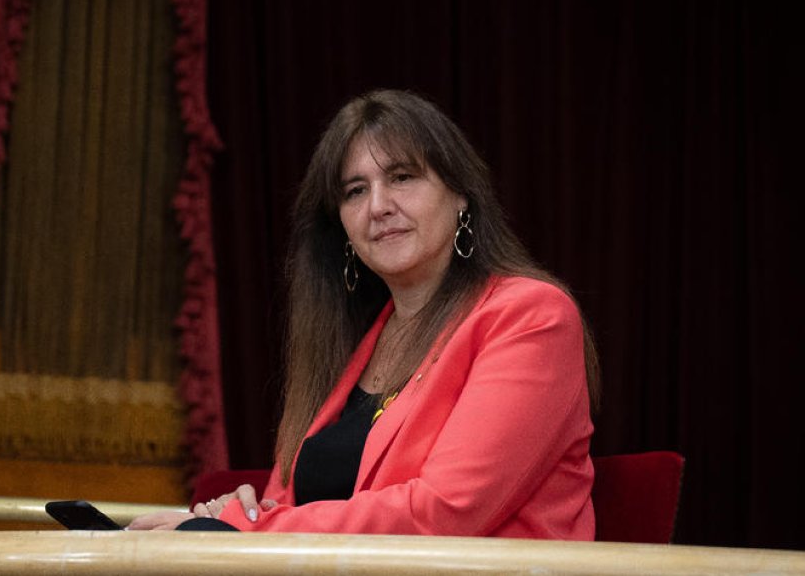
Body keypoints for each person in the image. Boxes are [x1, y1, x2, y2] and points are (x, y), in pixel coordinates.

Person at [129, 89, 600, 538]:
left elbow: (444, 512)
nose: (378, 207)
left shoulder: (531, 315)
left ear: (461, 196)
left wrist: (240, 528)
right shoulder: (357, 341)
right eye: (355, 191)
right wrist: (243, 511)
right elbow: (289, 506)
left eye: (402, 177)